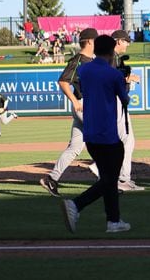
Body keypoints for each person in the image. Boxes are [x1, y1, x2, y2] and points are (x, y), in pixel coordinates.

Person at [60, 35, 131, 233]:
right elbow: (124, 99)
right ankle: (76, 204)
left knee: (108, 177)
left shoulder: (84, 69)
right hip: (107, 132)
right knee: (110, 178)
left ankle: (113, 221)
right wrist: (124, 80)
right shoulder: (113, 74)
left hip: (90, 132)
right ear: (111, 52)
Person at [40, 28, 99, 197]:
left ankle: (52, 179)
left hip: (89, 105)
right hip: (83, 105)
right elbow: (63, 81)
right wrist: (74, 101)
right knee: (105, 137)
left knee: (74, 148)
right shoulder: (78, 60)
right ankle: (100, 171)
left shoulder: (93, 61)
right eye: (96, 40)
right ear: (89, 41)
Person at [111, 30, 143, 192]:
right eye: (125, 41)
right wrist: (128, 79)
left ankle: (122, 177)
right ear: (117, 41)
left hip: (113, 100)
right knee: (126, 139)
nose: (128, 44)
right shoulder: (111, 57)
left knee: (125, 139)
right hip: (113, 100)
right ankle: (121, 178)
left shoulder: (112, 57)